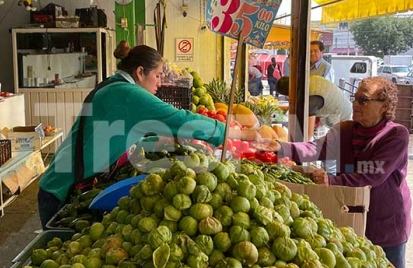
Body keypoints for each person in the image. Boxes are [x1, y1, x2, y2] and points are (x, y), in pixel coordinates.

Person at [36, 42, 256, 228]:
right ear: (140, 72)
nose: (160, 83)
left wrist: (157, 140)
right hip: (61, 190)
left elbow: (117, 135)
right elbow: (180, 119)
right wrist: (233, 133)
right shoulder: (127, 93)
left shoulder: (116, 87)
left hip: (63, 181)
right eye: (158, 76)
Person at [274, 77, 412, 268]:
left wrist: (331, 181)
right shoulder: (345, 129)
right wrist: (281, 148)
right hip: (350, 216)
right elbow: (315, 148)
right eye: (355, 99)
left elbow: (372, 174)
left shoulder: (396, 135)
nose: (355, 104)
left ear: (384, 106)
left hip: (384, 224)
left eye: (363, 100)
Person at [275, 75, 352, 140]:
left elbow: (308, 134)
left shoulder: (311, 99)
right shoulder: (309, 79)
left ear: (290, 93)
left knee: (340, 145)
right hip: (344, 108)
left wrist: (295, 148)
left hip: (344, 118)